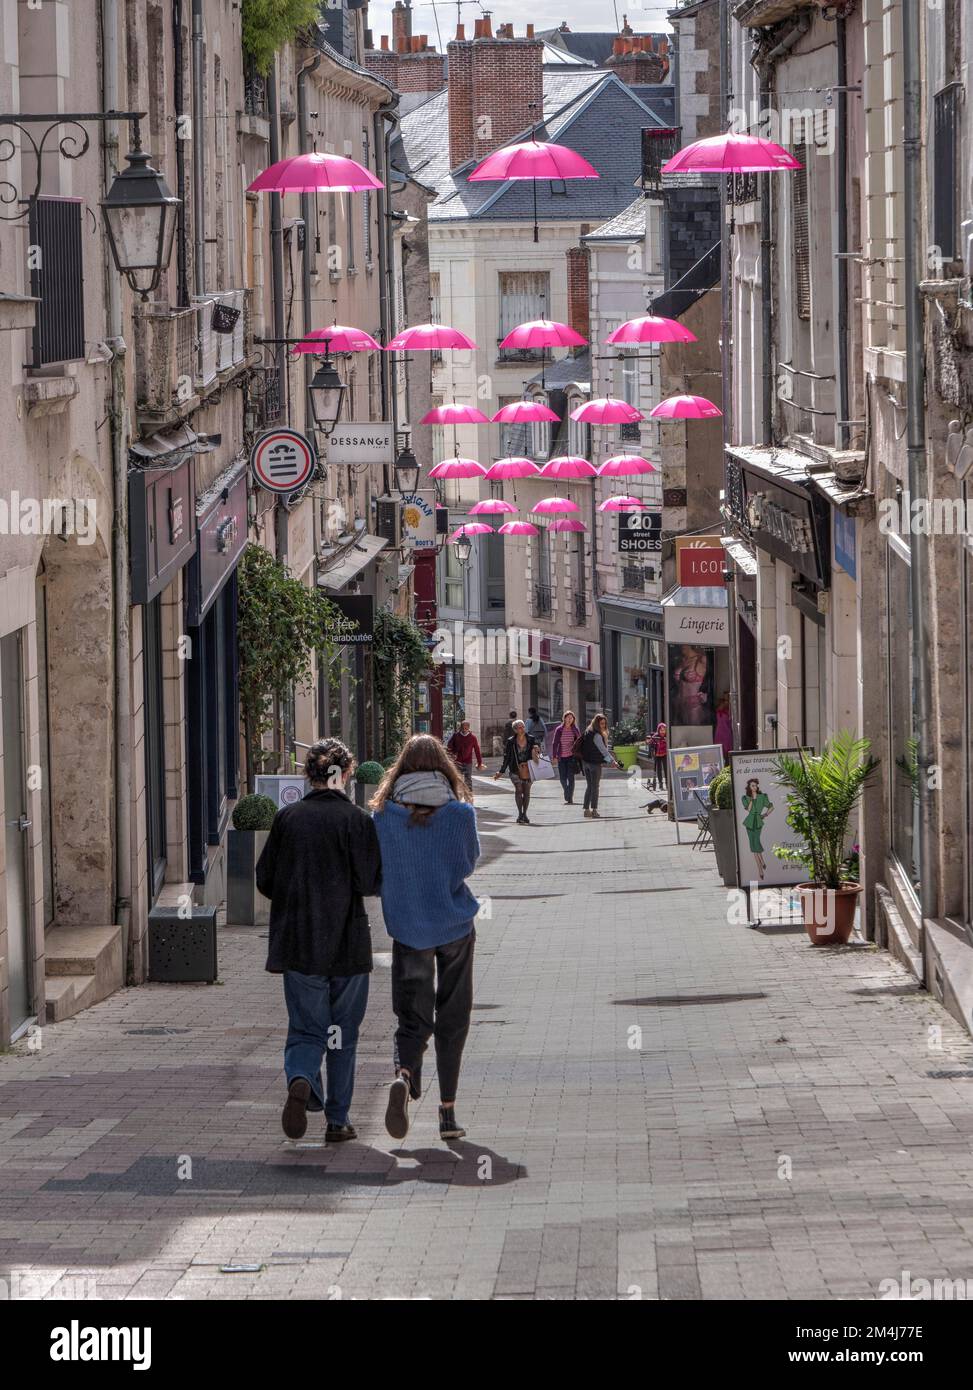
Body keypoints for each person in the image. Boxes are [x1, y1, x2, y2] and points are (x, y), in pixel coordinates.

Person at [257, 739, 381, 1144]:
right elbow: (369, 881)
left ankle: (301, 1077)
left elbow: (265, 880)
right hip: (347, 944)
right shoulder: (357, 821)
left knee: (307, 1028)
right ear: (344, 775)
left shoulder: (288, 818)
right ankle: (338, 1120)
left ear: (308, 775)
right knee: (342, 1034)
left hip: (299, 943)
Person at [371, 736, 480, 1143]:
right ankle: (448, 1114)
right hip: (453, 927)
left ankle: (403, 1076)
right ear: (443, 767)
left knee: (412, 1014)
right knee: (454, 1016)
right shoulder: (459, 813)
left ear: (402, 767)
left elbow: (377, 868)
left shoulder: (383, 816)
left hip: (409, 928)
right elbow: (468, 863)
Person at [495, 718, 542, 824]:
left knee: (526, 792)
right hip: (515, 769)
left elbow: (537, 751)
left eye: (523, 727)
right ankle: (520, 813)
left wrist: (537, 749)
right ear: (515, 730)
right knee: (518, 789)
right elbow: (506, 757)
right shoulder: (511, 741)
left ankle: (524, 814)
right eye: (520, 727)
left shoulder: (531, 738)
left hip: (529, 769)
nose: (522, 729)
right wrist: (501, 771)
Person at [579, 713, 621, 819]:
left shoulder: (588, 731)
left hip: (586, 763)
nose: (603, 726)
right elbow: (603, 751)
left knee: (589, 786)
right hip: (594, 764)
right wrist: (613, 762)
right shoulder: (597, 735)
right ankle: (594, 810)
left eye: (604, 724)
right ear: (597, 723)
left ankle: (586, 810)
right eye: (601, 724)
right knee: (595, 787)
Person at [741, 777, 774, 881]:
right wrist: (752, 799)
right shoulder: (745, 798)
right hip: (749, 822)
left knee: (756, 842)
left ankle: (761, 867)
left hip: (758, 821)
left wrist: (765, 814)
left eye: (755, 785)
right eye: (752, 786)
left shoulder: (762, 797)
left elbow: (771, 806)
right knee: (753, 844)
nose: (754, 787)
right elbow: (749, 809)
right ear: (749, 787)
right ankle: (761, 868)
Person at [551, 709, 583, 805]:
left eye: (571, 718)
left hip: (571, 757)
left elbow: (580, 742)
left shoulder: (575, 729)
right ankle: (567, 791)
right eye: (567, 718)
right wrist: (554, 756)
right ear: (564, 719)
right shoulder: (559, 729)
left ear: (573, 719)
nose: (569, 719)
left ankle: (570, 798)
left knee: (571, 778)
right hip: (561, 757)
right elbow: (554, 743)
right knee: (562, 778)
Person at [446, 719, 485, 791]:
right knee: (458, 777)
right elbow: (449, 746)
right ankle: (458, 792)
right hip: (457, 760)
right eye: (463, 728)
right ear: (460, 727)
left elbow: (477, 750)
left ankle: (469, 793)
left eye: (466, 728)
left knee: (468, 778)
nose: (464, 729)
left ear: (469, 728)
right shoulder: (456, 736)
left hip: (468, 761)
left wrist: (479, 763)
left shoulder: (473, 738)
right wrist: (452, 755)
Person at [649, 722, 668, 791]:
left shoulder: (667, 736)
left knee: (666, 769)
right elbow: (650, 742)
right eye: (661, 730)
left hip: (665, 754)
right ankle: (660, 784)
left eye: (664, 730)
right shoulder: (656, 736)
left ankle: (667, 784)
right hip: (657, 754)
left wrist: (666, 741)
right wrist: (653, 744)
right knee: (659, 769)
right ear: (658, 730)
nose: (662, 732)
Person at [715, 693, 733, 761]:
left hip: (727, 732)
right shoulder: (719, 710)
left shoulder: (728, 711)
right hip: (719, 732)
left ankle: (728, 761)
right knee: (720, 748)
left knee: (727, 747)